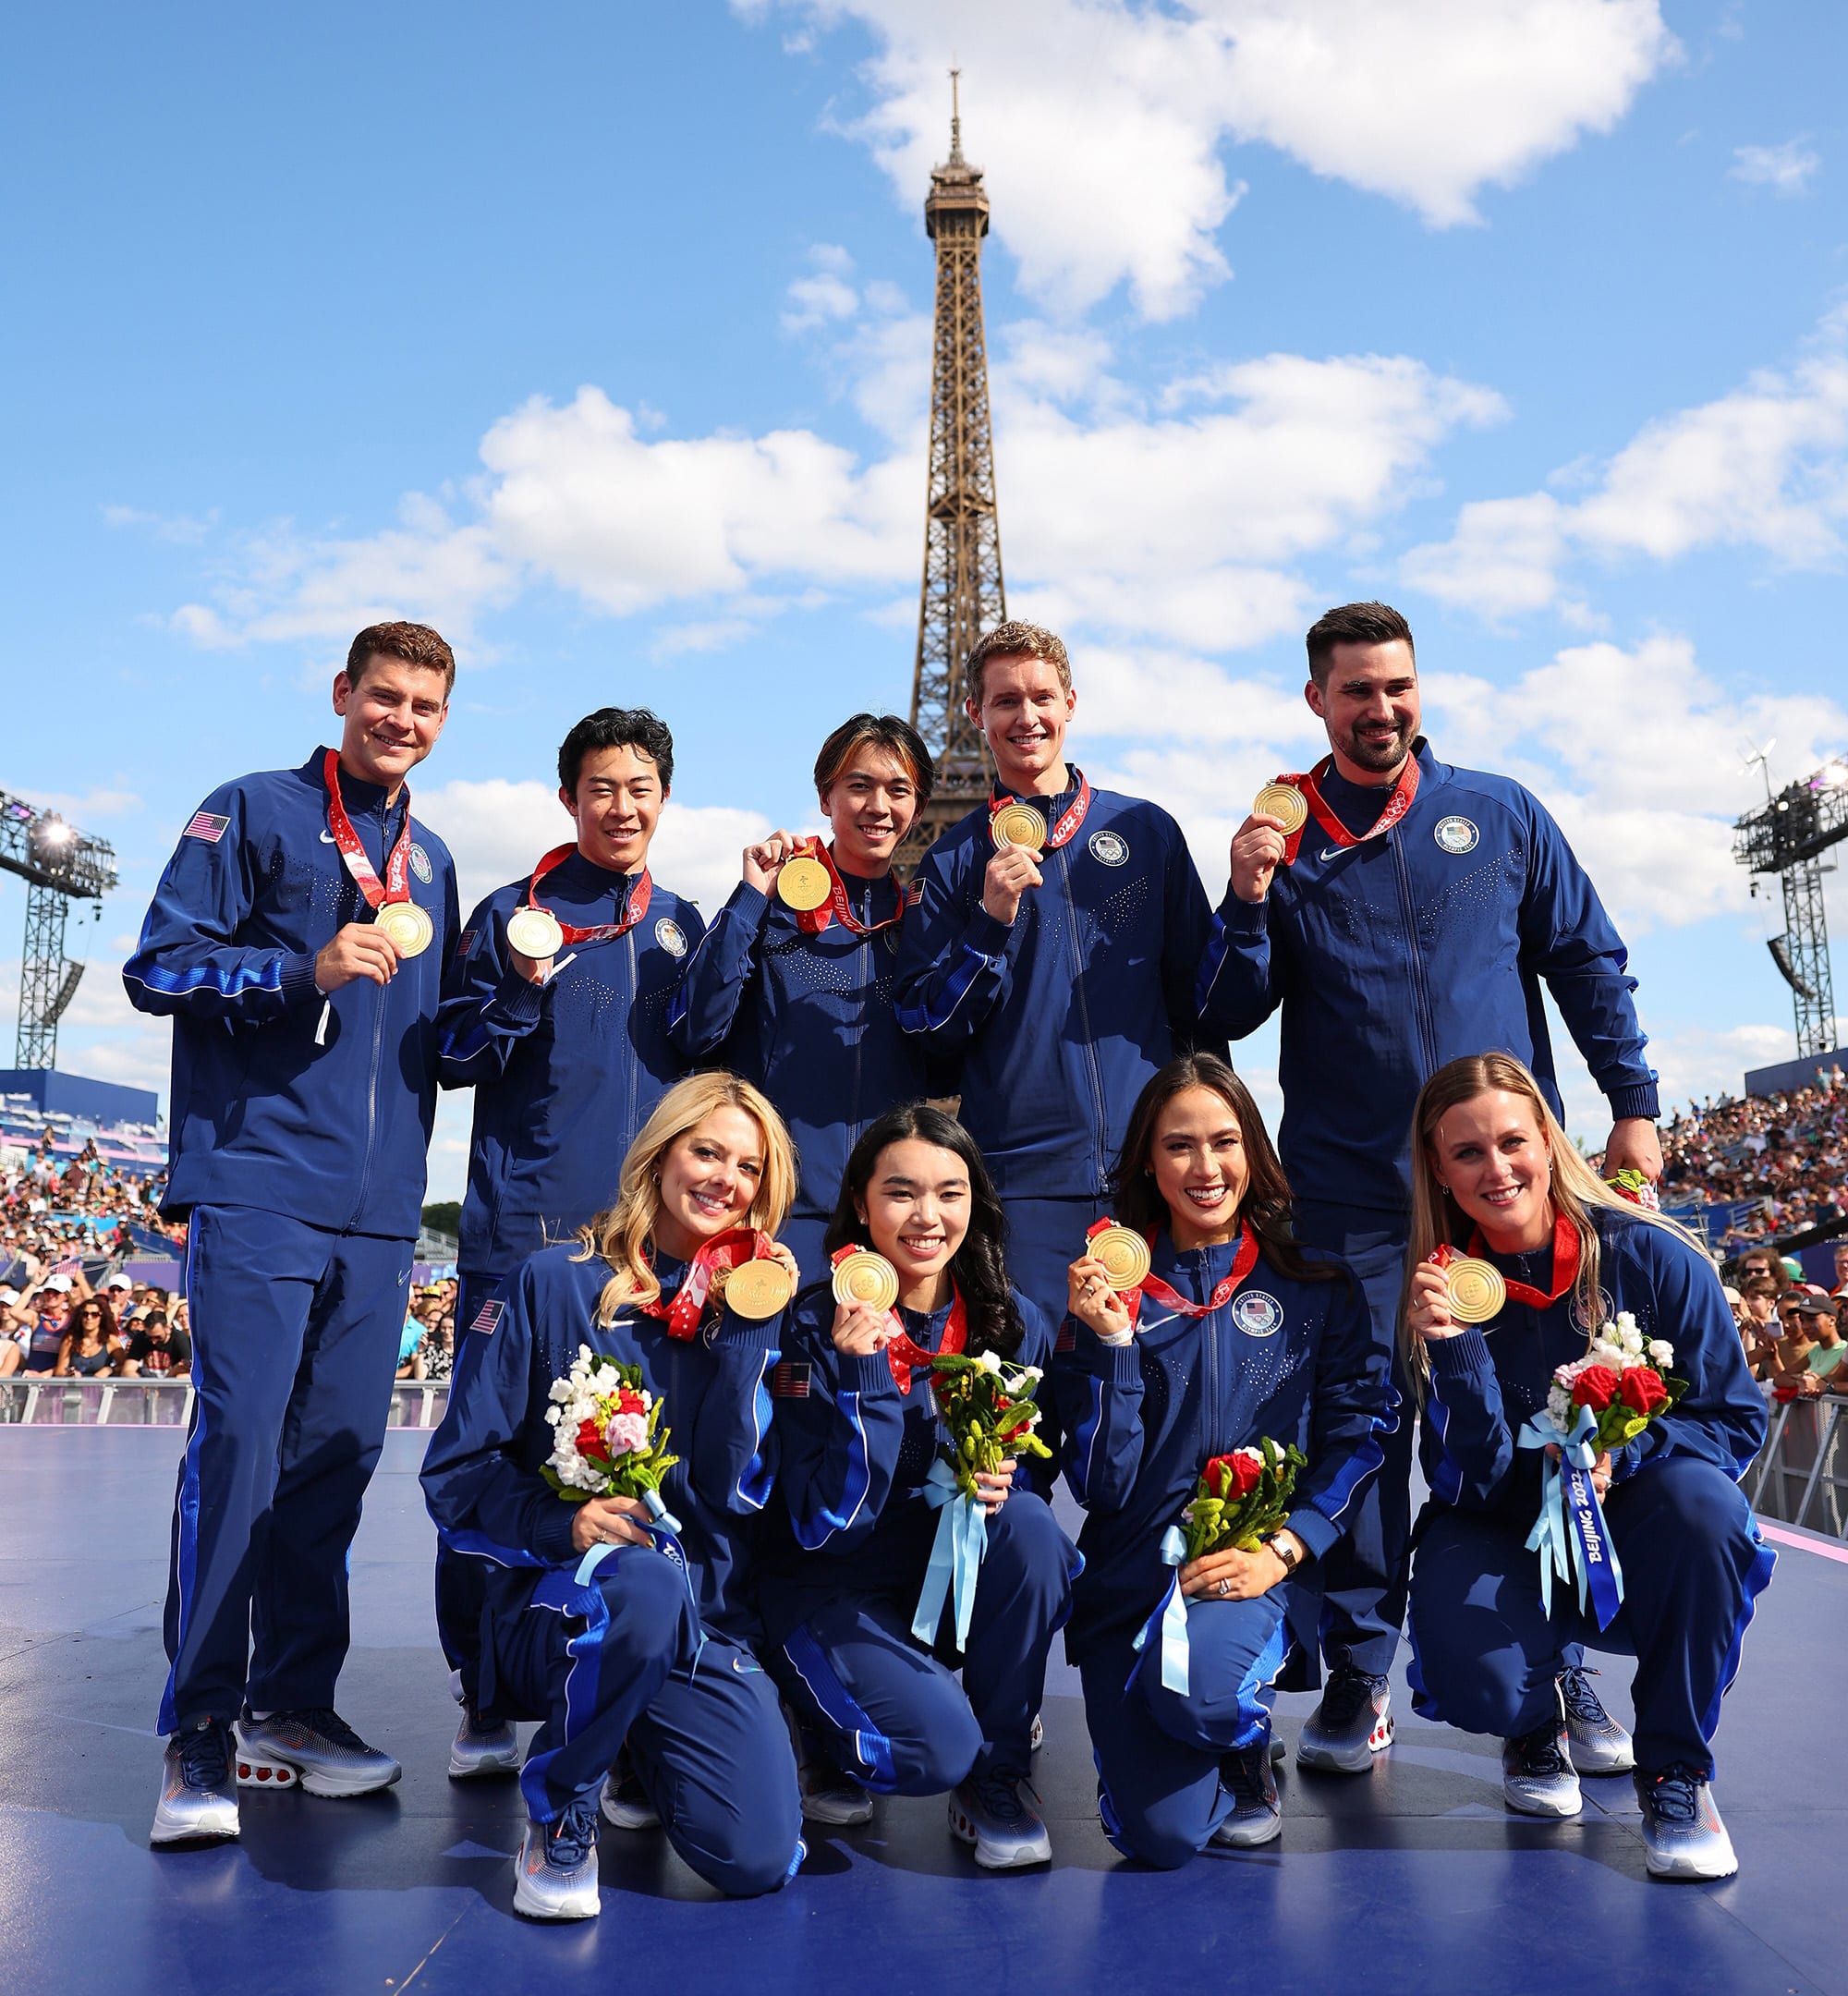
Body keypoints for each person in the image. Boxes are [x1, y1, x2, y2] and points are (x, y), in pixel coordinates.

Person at [1198, 601, 1660, 1778]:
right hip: (1350, 1196)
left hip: (1500, 1192)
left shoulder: (1497, 811)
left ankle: (1551, 1679)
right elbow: (1225, 1010)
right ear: (1316, 701)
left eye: (1396, 686)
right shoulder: (1280, 835)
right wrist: (1245, 898)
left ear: (1419, 688)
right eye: (1354, 690)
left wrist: (1635, 1103)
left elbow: (1583, 958)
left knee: (1531, 1427)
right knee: (1360, 1435)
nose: (1380, 708)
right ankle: (1358, 1676)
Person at [123, 619, 459, 1846]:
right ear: (342, 695)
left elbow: (442, 1041)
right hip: (258, 1179)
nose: (403, 720)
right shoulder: (250, 809)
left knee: (333, 1466)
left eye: (425, 705)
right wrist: (297, 972)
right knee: (243, 1450)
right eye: (385, 697)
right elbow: (156, 966)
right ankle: (198, 1728)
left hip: (381, 1215)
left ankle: (292, 1707)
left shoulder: (435, 862)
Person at [420, 1072, 806, 1918]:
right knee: (640, 1582)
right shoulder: (555, 1283)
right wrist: (563, 1525)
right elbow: (455, 1478)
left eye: (748, 1166)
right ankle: (563, 1804)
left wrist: (746, 1345)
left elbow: (738, 1497)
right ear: (661, 1153)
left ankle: (638, 1732)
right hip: (558, 1611)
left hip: (698, 1622)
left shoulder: (759, 1307)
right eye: (706, 1151)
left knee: (759, 1858)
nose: (724, 1179)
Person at [1401, 1053, 1770, 1880]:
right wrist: (1455, 1353)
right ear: (1438, 1168)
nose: (1496, 1170)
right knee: (1478, 1684)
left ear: (1548, 1140)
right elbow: (1471, 1480)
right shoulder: (1434, 1293)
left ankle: (1675, 1769)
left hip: (1631, 1523)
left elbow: (1737, 1419)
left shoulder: (1651, 1256)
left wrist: (1625, 1455)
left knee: (1706, 1513)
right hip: (1501, 1526)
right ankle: (1534, 1715)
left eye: (1512, 1142)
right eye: (1467, 1153)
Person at [434, 707, 704, 1778]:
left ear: (662, 798)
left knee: (637, 1467)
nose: (621, 806)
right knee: (495, 1466)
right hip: (524, 1241)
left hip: (648, 1254)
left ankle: (625, 1675)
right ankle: (484, 1693)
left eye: (639, 787)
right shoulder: (512, 912)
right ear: (568, 799)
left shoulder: (684, 925)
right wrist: (510, 983)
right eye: (601, 788)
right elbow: (450, 1054)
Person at [1051, 1056, 1391, 1865]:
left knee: (1202, 1702)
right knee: (1158, 1841)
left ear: (1253, 1152)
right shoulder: (1104, 1294)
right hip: (1133, 1580)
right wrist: (1109, 1346)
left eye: (1225, 1142)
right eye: (1179, 1146)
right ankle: (1181, 1734)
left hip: (1249, 1567)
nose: (1206, 1169)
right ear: (1146, 1160)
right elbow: (1101, 1481)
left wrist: (1286, 1547)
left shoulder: (1313, 1286)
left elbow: (1361, 1432)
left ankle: (1238, 1733)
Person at [760, 1103, 1077, 1868]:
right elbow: (815, 1528)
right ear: (862, 1208)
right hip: (831, 1587)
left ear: (977, 1203)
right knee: (935, 1752)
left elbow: (1039, 1462)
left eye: (951, 1192)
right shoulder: (809, 1327)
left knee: (1032, 1528)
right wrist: (863, 1377)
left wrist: (1009, 1476)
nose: (927, 1217)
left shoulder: (1013, 1323)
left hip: (946, 1590)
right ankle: (817, 1718)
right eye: (901, 1193)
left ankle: (997, 1773)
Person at [894, 621, 1221, 1328]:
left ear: (1071, 702)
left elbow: (1204, 1004)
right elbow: (927, 1033)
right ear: (975, 714)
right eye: (1005, 701)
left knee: (1158, 1395)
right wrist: (989, 921)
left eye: (1041, 696)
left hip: (1151, 1174)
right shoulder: (953, 862)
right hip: (1023, 1188)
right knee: (1034, 1401)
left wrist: (1250, 907)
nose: (1026, 716)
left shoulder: (1147, 832)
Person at [670, 713, 942, 1276]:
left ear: (917, 808)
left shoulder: (926, 923)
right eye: (859, 786)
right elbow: (697, 1028)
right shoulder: (774, 903)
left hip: (891, 1219)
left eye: (899, 790)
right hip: (779, 1209)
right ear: (826, 798)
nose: (878, 806)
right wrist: (749, 899)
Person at [55, 1296, 116, 1378]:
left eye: (94, 1314)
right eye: (85, 1314)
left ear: (102, 1317)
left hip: (100, 1389)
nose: (89, 1318)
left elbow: (123, 1365)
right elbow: (60, 1371)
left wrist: (110, 1369)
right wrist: (69, 1373)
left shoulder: (110, 1340)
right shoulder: (70, 1340)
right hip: (75, 1389)